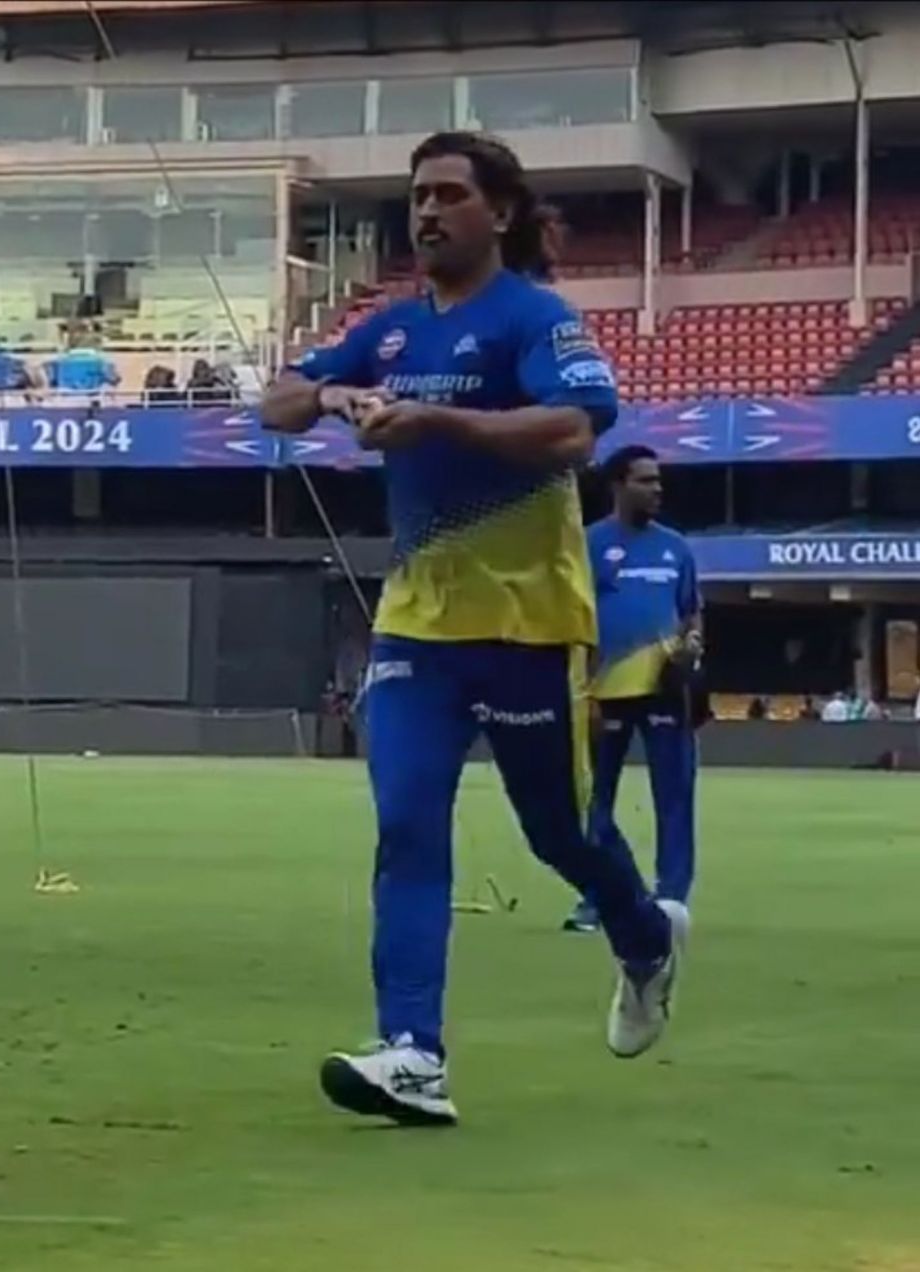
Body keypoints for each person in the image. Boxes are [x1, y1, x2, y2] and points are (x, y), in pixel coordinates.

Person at [260, 131, 684, 1126]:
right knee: (408, 824)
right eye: (417, 196)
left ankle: (645, 937)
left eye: (449, 193)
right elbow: (279, 400)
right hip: (417, 628)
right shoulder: (391, 331)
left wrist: (435, 423)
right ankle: (414, 1052)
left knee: (560, 834)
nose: (427, 211)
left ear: (499, 212)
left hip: (531, 624)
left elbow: (579, 430)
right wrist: (336, 393)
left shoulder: (533, 319)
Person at [564, 446, 703, 934]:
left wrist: (692, 644)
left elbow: (690, 611)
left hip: (664, 688)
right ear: (618, 486)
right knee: (591, 801)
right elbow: (572, 619)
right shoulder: (589, 545)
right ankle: (603, 895)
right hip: (605, 691)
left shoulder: (675, 547)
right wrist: (584, 692)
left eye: (659, 480)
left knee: (676, 796)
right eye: (646, 480)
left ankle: (671, 900)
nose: (657, 489)